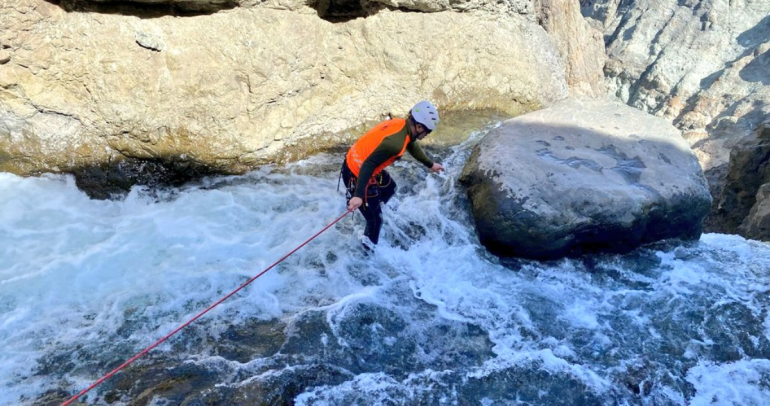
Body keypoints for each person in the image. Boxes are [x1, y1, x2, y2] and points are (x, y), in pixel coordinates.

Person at [341, 100, 445, 250]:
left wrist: (431, 164)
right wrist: (357, 195)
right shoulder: (395, 143)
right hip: (356, 174)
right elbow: (368, 165)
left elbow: (411, 144)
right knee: (376, 221)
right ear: (419, 126)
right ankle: (366, 255)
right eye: (427, 132)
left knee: (390, 188)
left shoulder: (402, 125)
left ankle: (371, 207)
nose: (426, 135)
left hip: (358, 164)